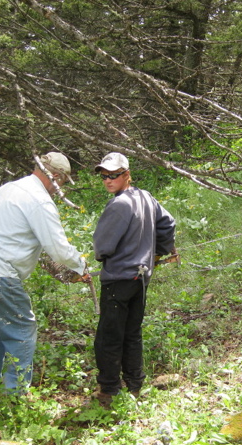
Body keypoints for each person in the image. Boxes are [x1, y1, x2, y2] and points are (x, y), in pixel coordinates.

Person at [0, 152, 89, 394]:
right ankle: (15, 395)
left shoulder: (9, 189)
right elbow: (58, 248)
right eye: (61, 183)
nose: (58, 189)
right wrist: (81, 266)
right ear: (57, 177)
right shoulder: (39, 200)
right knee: (21, 330)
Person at [92, 152, 176, 407]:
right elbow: (168, 223)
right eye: (104, 175)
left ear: (126, 175)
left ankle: (109, 390)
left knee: (109, 336)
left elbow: (102, 246)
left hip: (118, 279)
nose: (108, 180)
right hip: (140, 279)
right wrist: (160, 251)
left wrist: (102, 255)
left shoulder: (119, 204)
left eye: (114, 175)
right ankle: (135, 384)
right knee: (132, 332)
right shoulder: (146, 197)